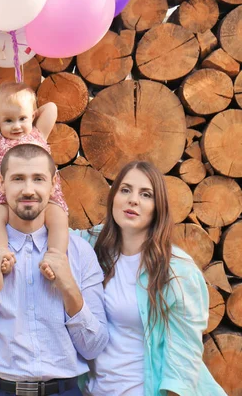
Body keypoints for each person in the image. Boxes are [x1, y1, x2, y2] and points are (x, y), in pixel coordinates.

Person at [0, 143, 108, 396]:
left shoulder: (80, 254)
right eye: (18, 179)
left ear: (53, 184)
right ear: (1, 182)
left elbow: (94, 346)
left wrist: (69, 287)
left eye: (38, 179)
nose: (28, 190)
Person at [73, 161, 226, 396]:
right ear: (113, 197)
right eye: (125, 190)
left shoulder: (177, 270)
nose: (133, 200)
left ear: (158, 207)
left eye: (146, 194)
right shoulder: (91, 246)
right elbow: (46, 228)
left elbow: (183, 362)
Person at [0, 82, 68, 275]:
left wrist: (30, 110)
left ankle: (55, 255)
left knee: (58, 216)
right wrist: (0, 110)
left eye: (22, 118)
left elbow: (51, 108)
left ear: (33, 116)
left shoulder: (39, 133)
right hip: (5, 196)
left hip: (44, 196)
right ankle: (2, 254)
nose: (17, 126)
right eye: (8, 121)